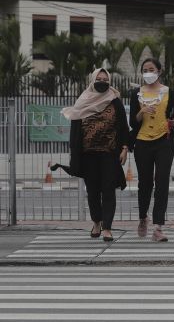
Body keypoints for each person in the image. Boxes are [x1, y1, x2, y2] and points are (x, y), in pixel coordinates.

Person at [60, 68, 129, 242]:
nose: (102, 82)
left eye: (106, 79)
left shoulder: (115, 101)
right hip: (87, 155)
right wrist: (74, 155)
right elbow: (75, 132)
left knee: (108, 190)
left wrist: (125, 148)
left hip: (109, 154)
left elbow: (123, 127)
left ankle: (107, 228)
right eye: (99, 78)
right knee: (92, 192)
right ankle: (96, 223)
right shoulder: (82, 101)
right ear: (92, 80)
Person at [129, 58, 174, 242]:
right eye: (144, 70)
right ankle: (143, 217)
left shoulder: (169, 92)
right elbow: (132, 123)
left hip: (163, 141)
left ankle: (158, 227)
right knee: (145, 183)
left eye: (151, 69)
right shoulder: (136, 93)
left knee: (162, 181)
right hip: (142, 142)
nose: (148, 73)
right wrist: (141, 112)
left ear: (159, 71)